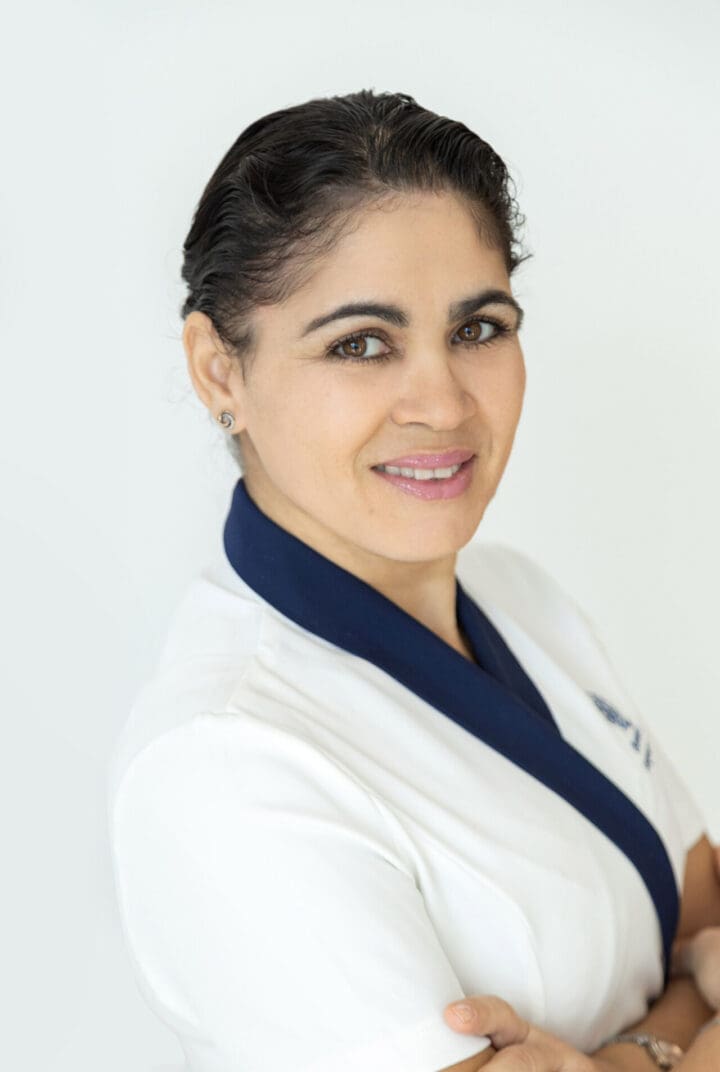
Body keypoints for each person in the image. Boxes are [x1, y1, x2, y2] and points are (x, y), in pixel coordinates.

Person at [107, 89, 720, 1071]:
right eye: (360, 344)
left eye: (478, 328)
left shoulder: (524, 600)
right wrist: (686, 1028)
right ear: (220, 371)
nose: (442, 403)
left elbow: (702, 907)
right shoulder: (224, 762)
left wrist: (625, 1060)